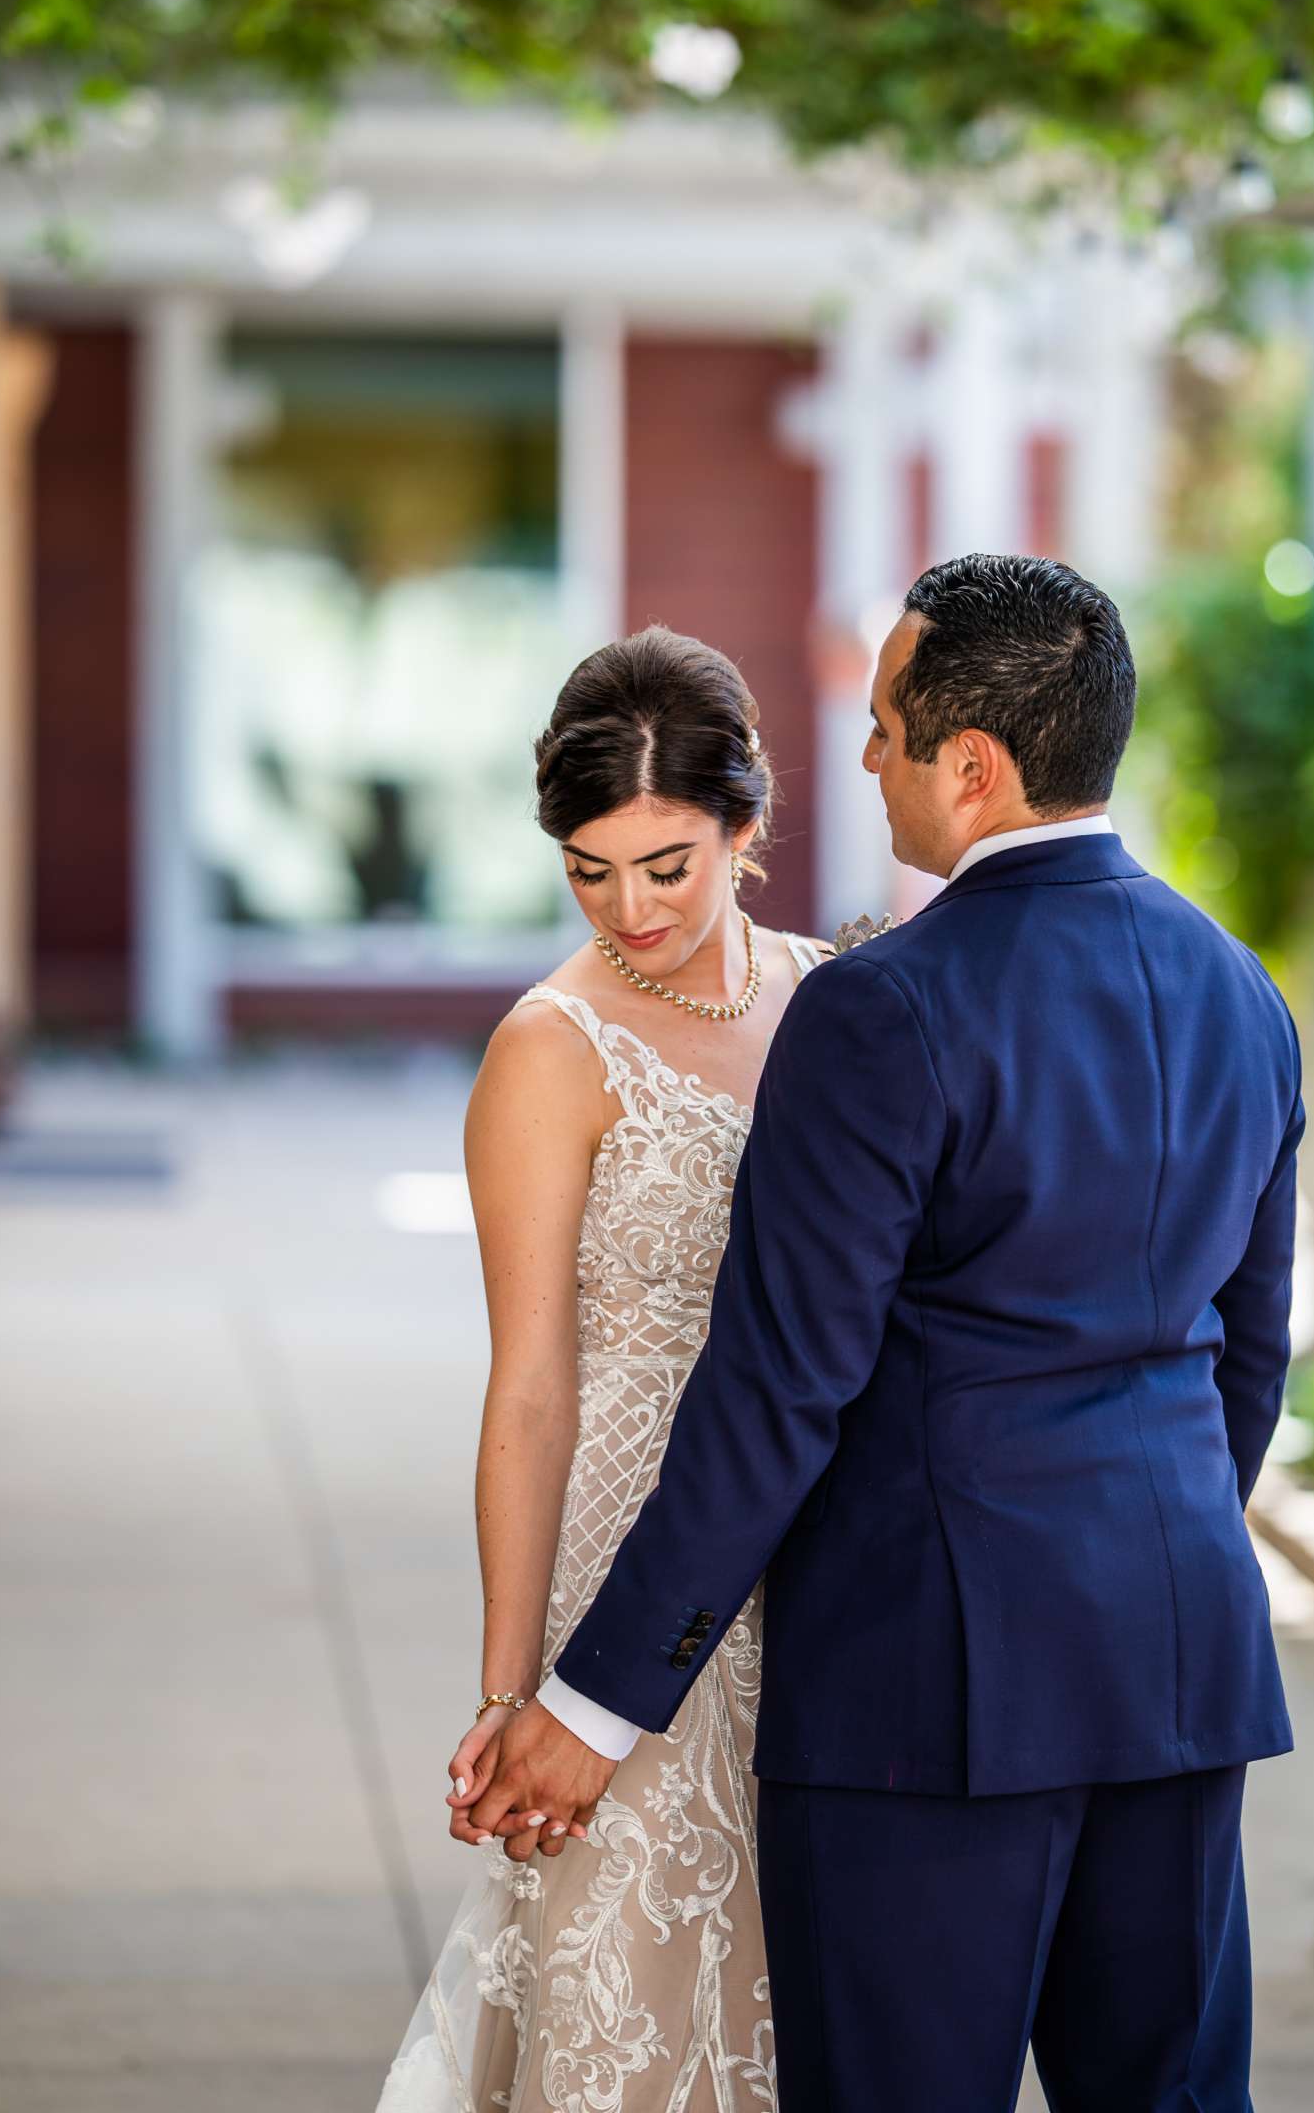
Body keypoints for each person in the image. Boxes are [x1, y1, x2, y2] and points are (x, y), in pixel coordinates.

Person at [465, 553, 1305, 2113]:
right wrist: (1143, 1550)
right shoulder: (1238, 989)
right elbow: (1246, 1358)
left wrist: (590, 1706)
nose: (865, 761)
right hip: (1176, 1658)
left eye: (886, 732)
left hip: (926, 1693)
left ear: (970, 770)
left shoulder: (881, 1007)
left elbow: (781, 1386)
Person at [378, 626, 830, 2113]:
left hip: (820, 1551)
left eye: (667, 865)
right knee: (631, 1967)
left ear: (747, 830)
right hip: (627, 1558)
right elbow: (530, 1389)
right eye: (589, 868)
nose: (629, 908)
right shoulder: (547, 1049)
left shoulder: (835, 999)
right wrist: (515, 1688)